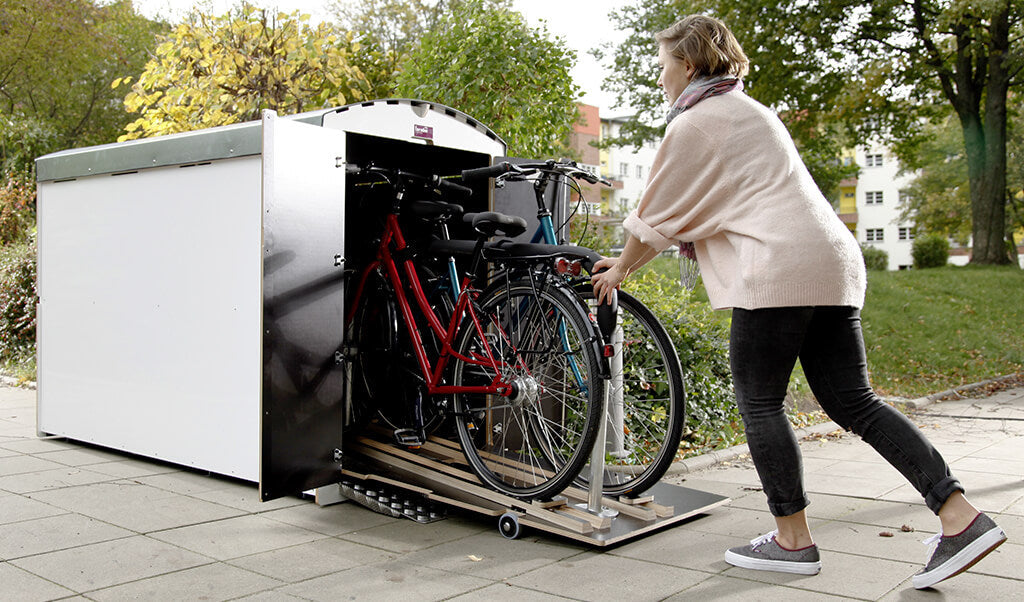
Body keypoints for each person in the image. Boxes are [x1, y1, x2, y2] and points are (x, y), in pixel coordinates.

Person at [590, 14, 1006, 589]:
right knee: (855, 401)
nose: (661, 77)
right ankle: (960, 517)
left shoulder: (697, 121)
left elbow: (656, 211)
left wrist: (620, 268)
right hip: (831, 260)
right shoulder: (751, 111)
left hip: (779, 267)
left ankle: (792, 540)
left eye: (663, 65)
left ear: (687, 64)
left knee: (760, 403)